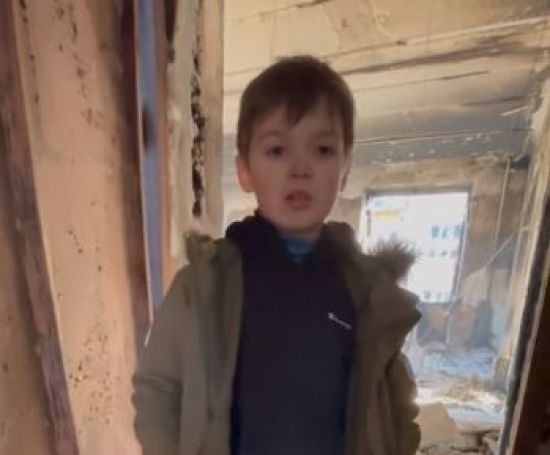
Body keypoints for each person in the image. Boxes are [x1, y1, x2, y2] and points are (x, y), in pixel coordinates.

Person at [132, 55, 421, 455]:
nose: (300, 168)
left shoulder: (367, 293)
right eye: (277, 150)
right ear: (244, 171)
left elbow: (397, 406)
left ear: (345, 170)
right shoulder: (203, 287)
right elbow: (157, 390)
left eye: (322, 150)